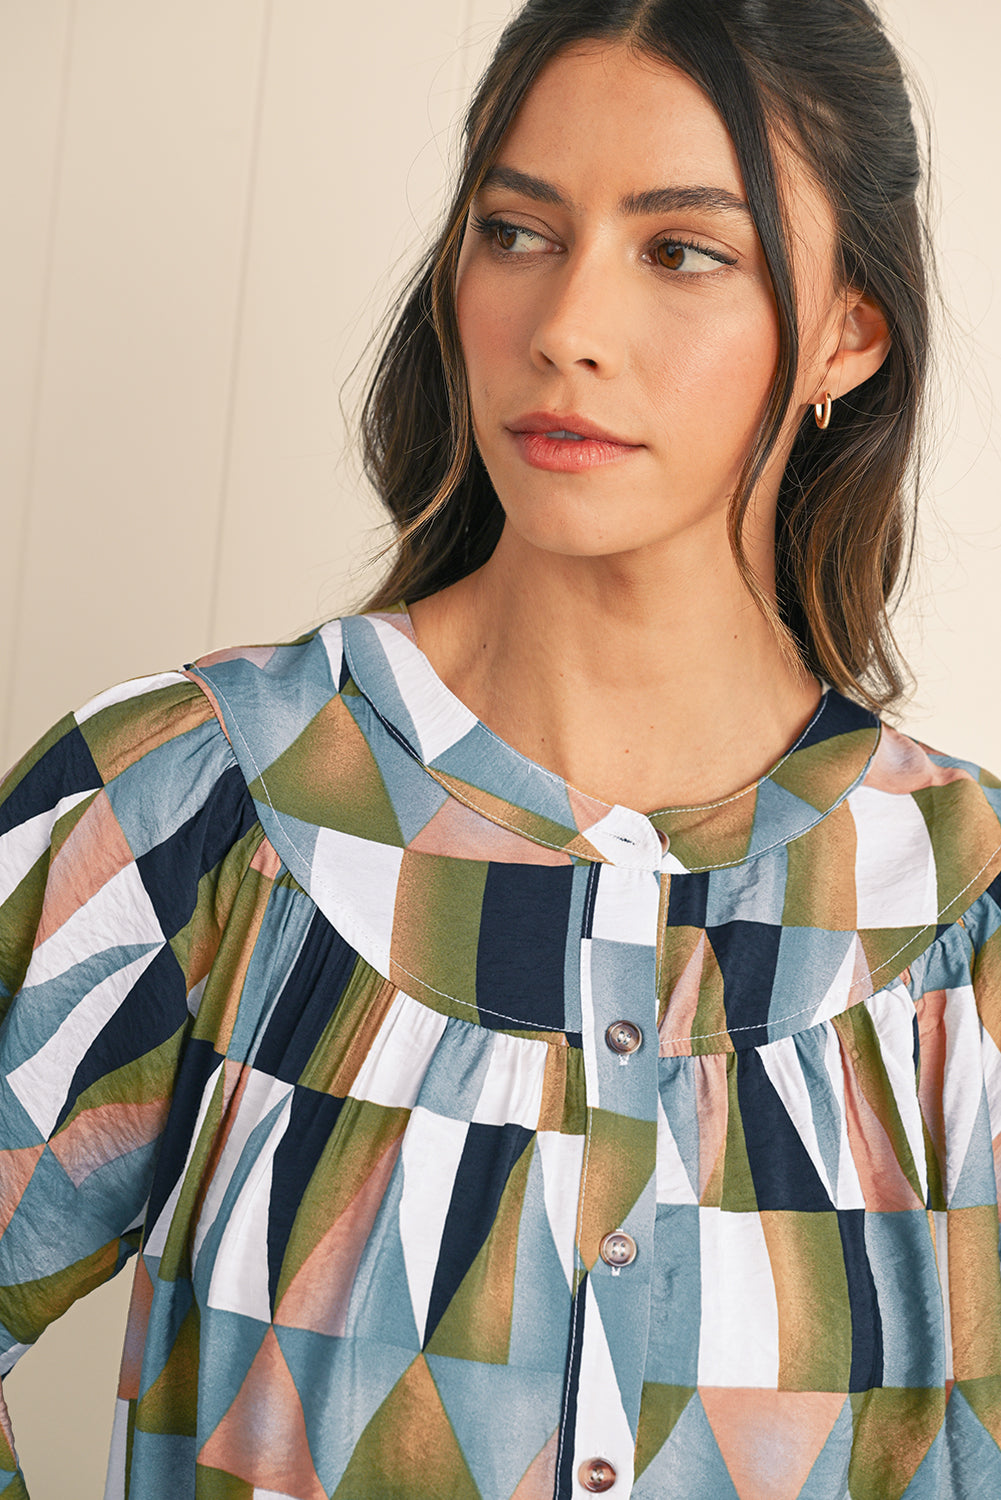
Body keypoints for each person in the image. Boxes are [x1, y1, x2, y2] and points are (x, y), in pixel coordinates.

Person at [2, 0, 1000, 1495]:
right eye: (518, 232)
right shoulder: (192, 809)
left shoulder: (969, 915)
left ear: (848, 330)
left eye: (680, 250)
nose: (563, 328)